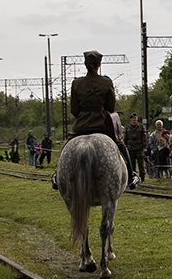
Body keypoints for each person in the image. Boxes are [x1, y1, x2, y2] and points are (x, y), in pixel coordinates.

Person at [52, 50, 139, 190]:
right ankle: (132, 175)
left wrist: (84, 116)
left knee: (67, 148)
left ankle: (57, 175)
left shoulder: (76, 83)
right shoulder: (106, 82)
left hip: (81, 126)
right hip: (102, 125)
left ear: (85, 64)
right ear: (99, 64)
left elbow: (74, 109)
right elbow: (110, 107)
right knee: (121, 145)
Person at [124, 113, 147, 183]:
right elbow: (125, 138)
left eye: (135, 118)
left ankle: (142, 177)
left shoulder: (141, 127)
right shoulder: (128, 127)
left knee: (141, 164)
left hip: (139, 147)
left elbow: (144, 138)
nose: (134, 119)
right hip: (130, 147)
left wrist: (144, 147)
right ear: (130, 119)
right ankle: (133, 177)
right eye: (132, 118)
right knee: (132, 164)